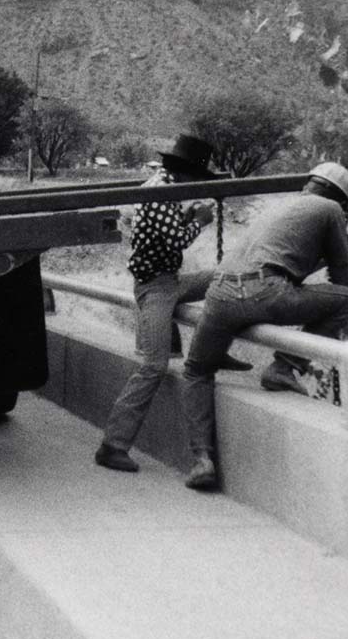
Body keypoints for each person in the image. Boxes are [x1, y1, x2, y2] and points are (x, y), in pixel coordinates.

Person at [177, 162, 348, 491]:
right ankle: (284, 366)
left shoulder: (285, 205)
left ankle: (201, 459)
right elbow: (342, 279)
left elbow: (282, 262)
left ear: (309, 184)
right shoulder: (332, 209)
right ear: (343, 200)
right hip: (265, 292)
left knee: (196, 372)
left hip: (221, 293)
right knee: (345, 299)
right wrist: (345, 253)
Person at [94, 134, 252, 479]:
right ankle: (113, 445)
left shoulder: (163, 188)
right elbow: (176, 239)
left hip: (168, 280)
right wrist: (200, 220)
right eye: (197, 178)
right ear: (185, 173)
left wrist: (189, 215)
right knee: (153, 363)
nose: (196, 185)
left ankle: (215, 347)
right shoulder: (160, 194)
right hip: (155, 286)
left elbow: (168, 234)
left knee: (223, 277)